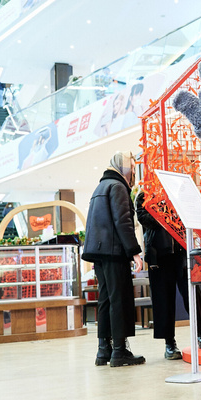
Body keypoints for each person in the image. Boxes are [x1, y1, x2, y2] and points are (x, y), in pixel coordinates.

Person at [80, 152, 145, 367]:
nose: (133, 171)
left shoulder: (101, 187)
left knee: (106, 299)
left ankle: (103, 349)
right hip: (114, 251)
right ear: (123, 167)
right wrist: (134, 252)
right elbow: (123, 221)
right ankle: (119, 350)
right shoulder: (117, 187)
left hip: (98, 252)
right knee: (119, 299)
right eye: (132, 167)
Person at [135, 190, 201, 360]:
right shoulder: (144, 195)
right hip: (158, 255)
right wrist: (165, 212)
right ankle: (169, 343)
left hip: (183, 251)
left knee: (193, 294)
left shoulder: (177, 190)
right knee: (163, 300)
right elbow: (145, 219)